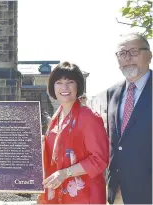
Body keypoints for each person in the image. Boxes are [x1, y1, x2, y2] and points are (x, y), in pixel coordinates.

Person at [37, 62, 109, 204]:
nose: (64, 87)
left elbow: (99, 160)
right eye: (59, 82)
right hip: (58, 194)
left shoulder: (89, 117)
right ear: (53, 86)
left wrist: (65, 173)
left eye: (70, 82)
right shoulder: (56, 118)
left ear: (78, 86)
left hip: (84, 196)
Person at [106, 33, 152, 204]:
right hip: (117, 190)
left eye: (134, 52)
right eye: (122, 54)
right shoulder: (113, 92)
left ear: (149, 55)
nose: (127, 58)